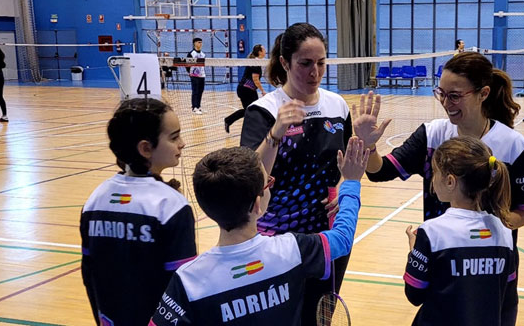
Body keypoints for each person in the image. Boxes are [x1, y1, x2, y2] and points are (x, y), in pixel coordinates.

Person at [354, 52, 524, 325]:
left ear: (483, 93)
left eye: (454, 96)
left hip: (493, 271)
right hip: (444, 265)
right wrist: (369, 145)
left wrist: (489, 229)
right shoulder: (432, 134)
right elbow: (380, 171)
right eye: (441, 93)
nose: (445, 103)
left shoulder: (514, 147)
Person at [149, 139, 368, 325]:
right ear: (257, 204)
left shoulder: (188, 280)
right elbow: (342, 238)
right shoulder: (291, 250)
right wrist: (351, 182)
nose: (271, 185)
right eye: (268, 183)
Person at [239, 22, 352, 325]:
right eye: (305, 63)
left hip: (327, 237)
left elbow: (345, 166)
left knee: (320, 318)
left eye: (321, 63)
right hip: (277, 238)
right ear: (285, 62)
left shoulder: (337, 106)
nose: (315, 72)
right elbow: (251, 177)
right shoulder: (263, 111)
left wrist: (341, 190)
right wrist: (276, 132)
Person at [80, 98, 197, 326]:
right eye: (174, 137)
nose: (182, 143)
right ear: (145, 148)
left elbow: (89, 275)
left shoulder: (95, 200)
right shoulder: (172, 206)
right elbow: (182, 287)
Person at [404, 136, 515, 325]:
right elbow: (508, 298)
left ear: (450, 181)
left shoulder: (431, 232)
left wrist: (415, 254)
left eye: (435, 172)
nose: (432, 180)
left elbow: (415, 294)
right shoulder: (503, 232)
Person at [224, 44, 268, 133]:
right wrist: (263, 91)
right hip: (246, 90)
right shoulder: (255, 63)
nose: (265, 51)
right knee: (252, 110)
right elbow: (255, 79)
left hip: (248, 90)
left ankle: (229, 120)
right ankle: (252, 129)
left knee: (250, 110)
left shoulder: (257, 62)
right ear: (260, 52)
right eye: (264, 50)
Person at [188, 37, 206, 114]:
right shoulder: (191, 54)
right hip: (194, 75)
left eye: (201, 42)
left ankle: (198, 106)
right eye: (199, 42)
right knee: (195, 91)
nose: (200, 44)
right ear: (194, 43)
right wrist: (190, 73)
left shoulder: (203, 54)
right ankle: (194, 107)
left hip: (202, 75)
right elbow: (187, 64)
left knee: (200, 91)